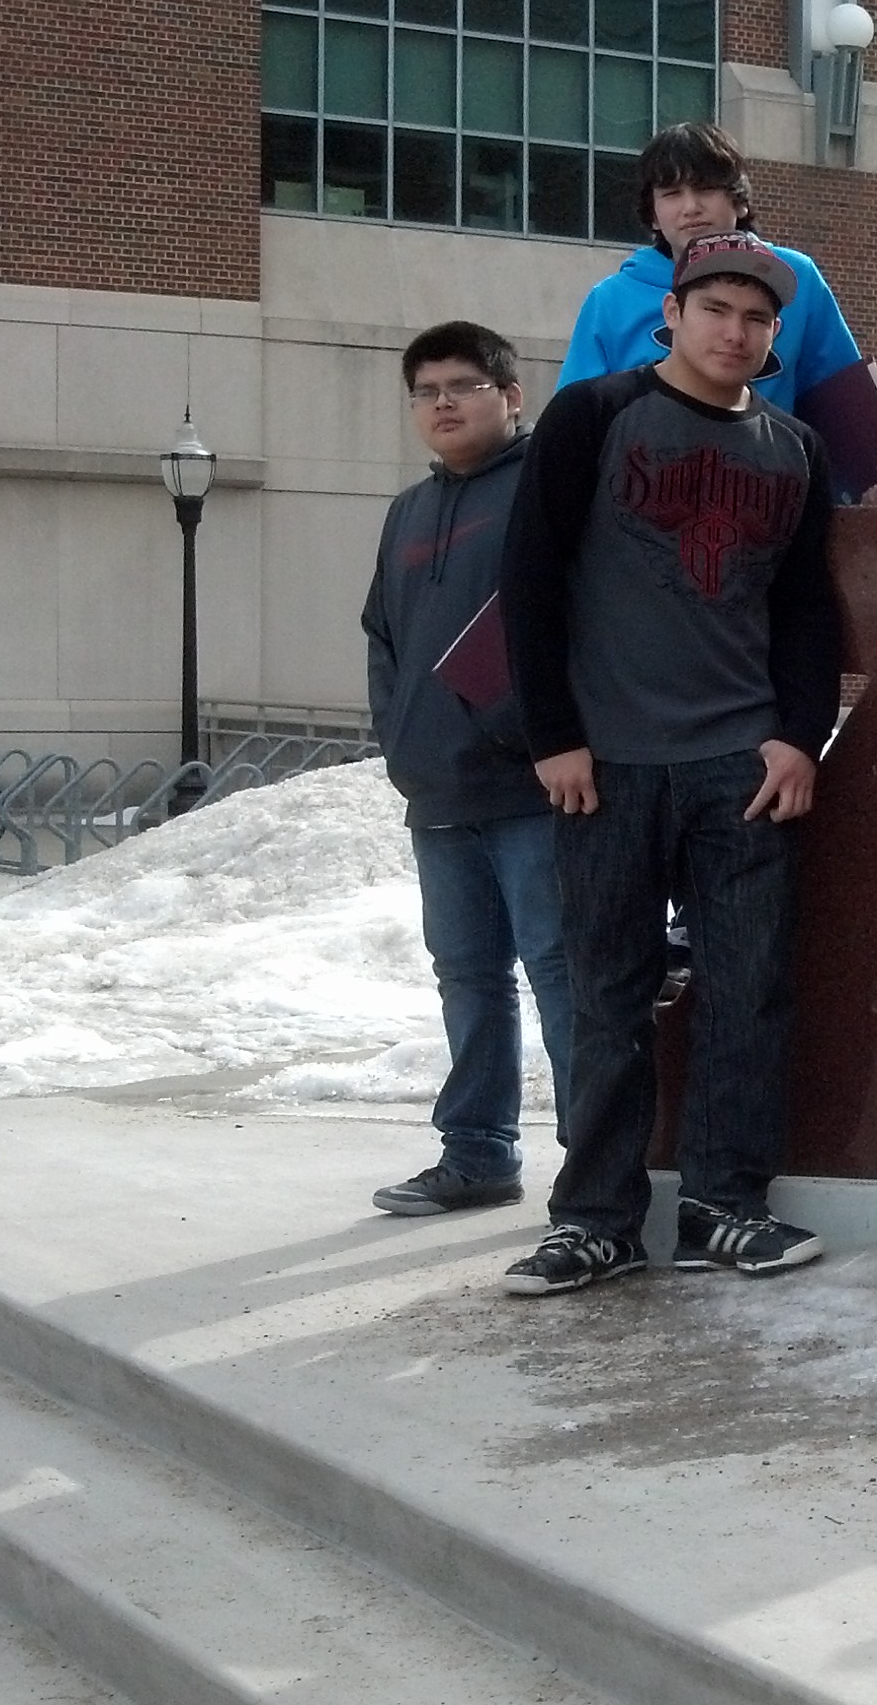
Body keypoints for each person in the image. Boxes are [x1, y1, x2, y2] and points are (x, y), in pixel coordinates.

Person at [495, 231, 847, 1297]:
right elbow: (530, 577)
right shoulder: (594, 416)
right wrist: (552, 734)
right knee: (608, 994)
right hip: (607, 763)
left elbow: (803, 611)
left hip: (737, 763)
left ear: (775, 338)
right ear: (673, 316)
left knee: (748, 990)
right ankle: (596, 1218)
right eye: (717, 311)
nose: (735, 333)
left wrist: (799, 731)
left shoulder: (793, 449)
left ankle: (723, 1205)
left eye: (757, 319)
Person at [361, 322, 574, 1219]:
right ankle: (479, 1154)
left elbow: (579, 621)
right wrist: (402, 743)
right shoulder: (407, 511)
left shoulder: (547, 488)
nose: (443, 403)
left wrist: (520, 729)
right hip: (438, 793)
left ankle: (602, 1159)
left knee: (563, 971)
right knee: (469, 978)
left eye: (464, 385)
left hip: (535, 789)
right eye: (425, 391)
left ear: (512, 395)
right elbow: (384, 639)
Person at [557, 122, 877, 501]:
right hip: (645, 504)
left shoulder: (797, 279)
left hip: (766, 500)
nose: (690, 207)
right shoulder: (610, 300)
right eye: (671, 193)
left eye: (706, 189)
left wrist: (875, 488)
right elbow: (574, 429)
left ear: (740, 200)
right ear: (652, 214)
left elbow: (843, 404)